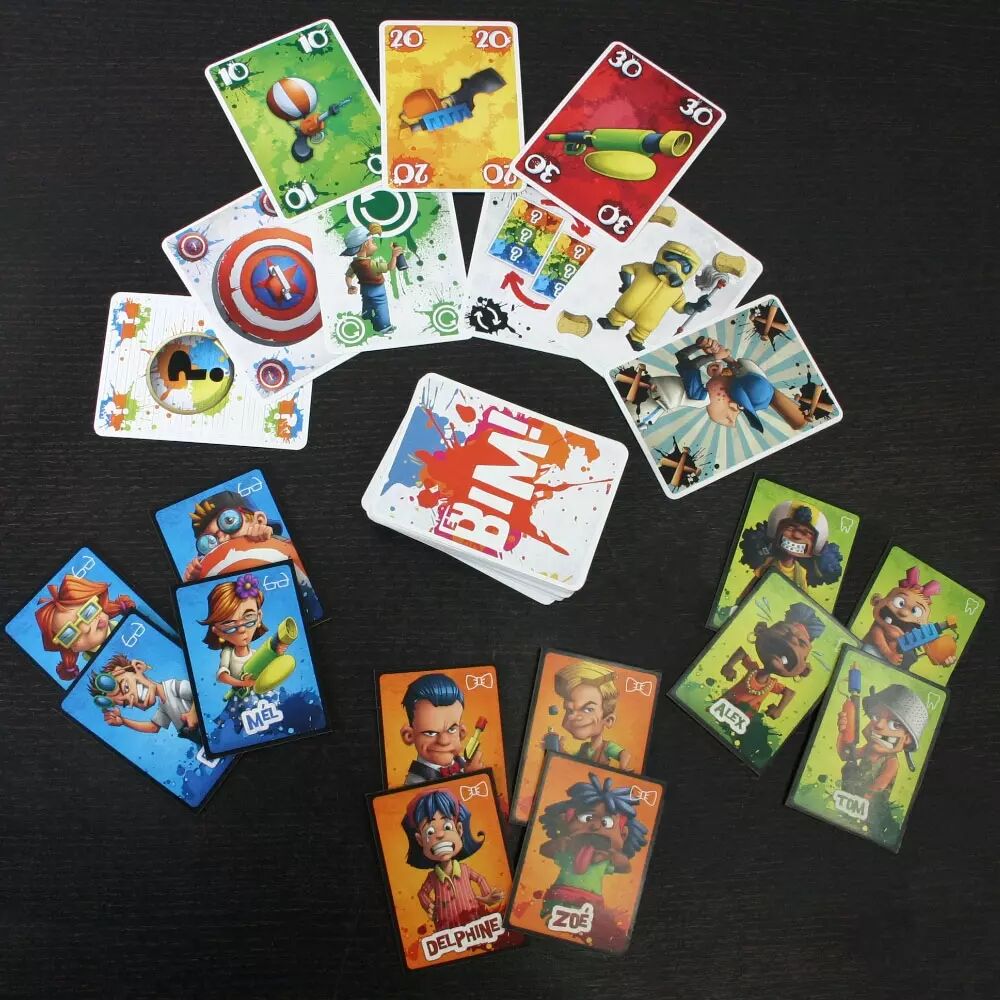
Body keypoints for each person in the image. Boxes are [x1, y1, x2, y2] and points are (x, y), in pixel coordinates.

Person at [537, 773, 648, 948]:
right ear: (567, 819)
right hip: (559, 896)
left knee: (591, 933)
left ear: (624, 834)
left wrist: (613, 856)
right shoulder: (569, 851)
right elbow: (544, 850)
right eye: (587, 818)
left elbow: (626, 867)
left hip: (591, 904)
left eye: (606, 822)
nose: (595, 826)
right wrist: (558, 843)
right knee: (549, 930)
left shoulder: (604, 860)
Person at [402, 788, 504, 930]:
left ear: (459, 830)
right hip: (446, 927)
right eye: (430, 832)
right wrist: (429, 906)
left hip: (474, 921)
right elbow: (422, 893)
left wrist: (487, 896)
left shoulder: (465, 870)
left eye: (447, 826)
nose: (440, 835)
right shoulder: (433, 878)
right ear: (420, 840)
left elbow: (480, 879)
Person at [34, 576, 136, 681]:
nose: (86, 628)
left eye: (88, 611)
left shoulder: (132, 625)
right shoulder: (99, 667)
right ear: (69, 648)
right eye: (70, 634)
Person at [199, 574, 287, 693]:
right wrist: (243, 683)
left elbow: (270, 669)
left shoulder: (256, 654)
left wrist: (278, 653)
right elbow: (221, 676)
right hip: (240, 697)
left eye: (249, 618)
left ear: (259, 617)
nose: (241, 630)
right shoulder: (228, 653)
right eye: (229, 624)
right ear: (217, 631)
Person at [89, 653, 201, 744]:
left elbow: (199, 690)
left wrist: (193, 713)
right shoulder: (163, 706)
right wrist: (123, 721)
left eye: (126, 687)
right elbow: (153, 728)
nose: (132, 700)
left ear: (138, 668)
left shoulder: (173, 687)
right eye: (126, 702)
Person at [400, 674, 483, 784]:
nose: (444, 741)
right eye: (430, 733)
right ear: (409, 735)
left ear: (461, 732)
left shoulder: (464, 763)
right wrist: (472, 779)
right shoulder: (415, 781)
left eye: (451, 730)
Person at [550, 660, 632, 769]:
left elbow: (625, 754)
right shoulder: (584, 748)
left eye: (588, 709)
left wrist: (623, 769)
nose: (572, 717)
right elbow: (573, 761)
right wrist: (560, 750)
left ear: (608, 720)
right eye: (570, 710)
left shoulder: (607, 747)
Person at [342, 224, 403, 334]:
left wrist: (350, 286)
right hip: (377, 290)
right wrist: (394, 256)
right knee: (381, 306)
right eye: (373, 242)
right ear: (366, 244)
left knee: (367, 305)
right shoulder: (371, 264)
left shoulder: (354, 264)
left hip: (365, 290)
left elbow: (348, 276)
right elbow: (390, 267)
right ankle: (384, 326)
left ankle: (367, 320)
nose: (375, 244)